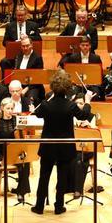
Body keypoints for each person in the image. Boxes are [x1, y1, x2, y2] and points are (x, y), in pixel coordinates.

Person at [31, 70, 94, 214]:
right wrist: (88, 100)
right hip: (65, 147)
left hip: (48, 147)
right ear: (67, 89)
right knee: (62, 177)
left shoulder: (46, 104)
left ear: (52, 87)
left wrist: (50, 97)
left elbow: (37, 113)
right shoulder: (70, 106)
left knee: (44, 176)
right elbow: (84, 115)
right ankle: (59, 206)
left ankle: (39, 206)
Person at [0, 97, 25, 201]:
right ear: (2, 108)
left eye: (12, 108)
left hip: (14, 151)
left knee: (24, 166)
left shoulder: (16, 120)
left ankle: (20, 191)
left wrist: (19, 128)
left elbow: (21, 139)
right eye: (8, 108)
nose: (10, 111)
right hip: (0, 151)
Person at [0, 37, 45, 107]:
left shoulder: (38, 58)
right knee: (4, 93)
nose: (25, 48)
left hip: (32, 86)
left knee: (30, 101)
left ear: (31, 45)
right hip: (19, 84)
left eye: (27, 46)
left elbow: (38, 78)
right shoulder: (18, 55)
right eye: (23, 46)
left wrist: (25, 89)